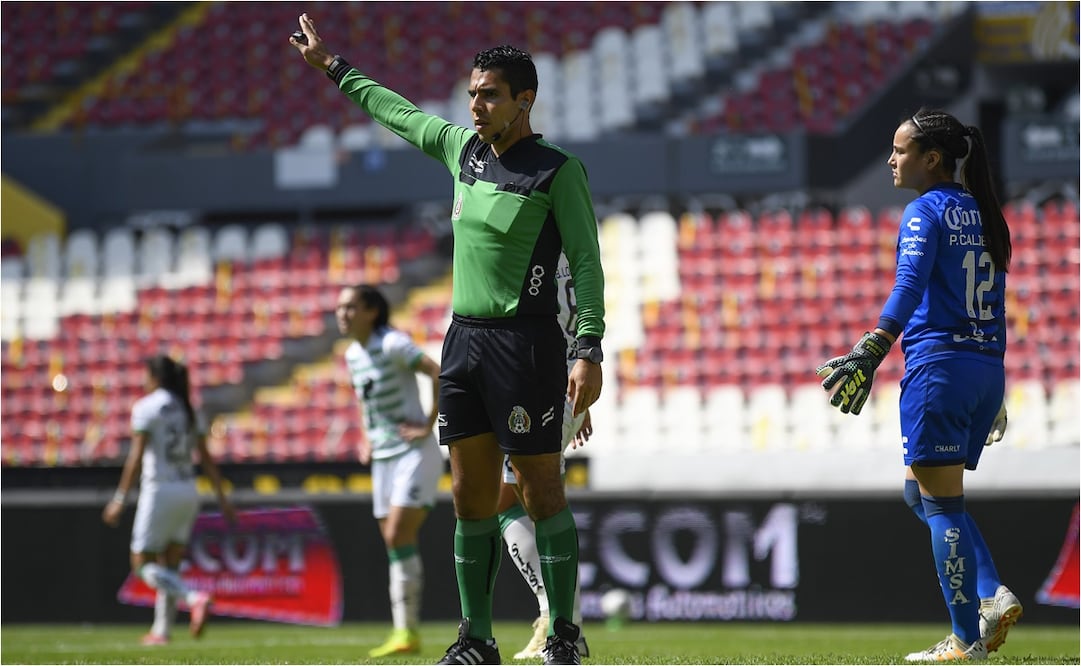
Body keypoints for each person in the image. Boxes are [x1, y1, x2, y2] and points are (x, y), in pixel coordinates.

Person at [293, 17, 606, 666]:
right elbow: (397, 113)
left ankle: (565, 635)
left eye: (488, 94)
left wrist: (588, 347)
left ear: (524, 101)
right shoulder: (461, 150)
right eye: (471, 93)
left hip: (525, 346)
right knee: (469, 500)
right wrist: (333, 65)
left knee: (542, 492)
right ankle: (476, 639)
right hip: (462, 345)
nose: (474, 104)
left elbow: (587, 260)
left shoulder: (557, 171)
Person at [817, 108, 1021, 662]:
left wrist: (873, 345)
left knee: (942, 507)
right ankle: (992, 594)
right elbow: (997, 300)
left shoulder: (924, 210)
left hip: (940, 368)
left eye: (900, 150)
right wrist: (993, 379)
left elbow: (908, 286)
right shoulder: (984, 212)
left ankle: (965, 639)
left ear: (932, 159)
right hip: (985, 368)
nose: (891, 159)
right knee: (922, 493)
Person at [336, 283, 443, 658]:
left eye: (350, 307)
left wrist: (429, 425)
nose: (342, 314)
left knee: (398, 534)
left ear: (371, 312)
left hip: (414, 452)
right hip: (383, 458)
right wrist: (366, 438)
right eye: (340, 308)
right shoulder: (353, 355)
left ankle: (407, 632)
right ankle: (406, 633)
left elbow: (437, 372)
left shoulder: (393, 344)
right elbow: (365, 403)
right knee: (396, 545)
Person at [102, 354, 235, 645]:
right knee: (169, 565)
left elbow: (136, 457)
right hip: (188, 490)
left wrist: (119, 499)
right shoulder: (189, 408)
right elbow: (207, 459)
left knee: (141, 564)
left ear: (155, 377)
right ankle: (161, 631)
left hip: (159, 490)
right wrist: (223, 499)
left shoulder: (146, 408)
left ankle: (193, 596)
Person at [499, 251, 591, 660]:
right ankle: (560, 619)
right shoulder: (575, 247)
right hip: (567, 381)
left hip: (543, 383)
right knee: (513, 499)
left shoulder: (530, 246)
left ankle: (561, 623)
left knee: (538, 501)